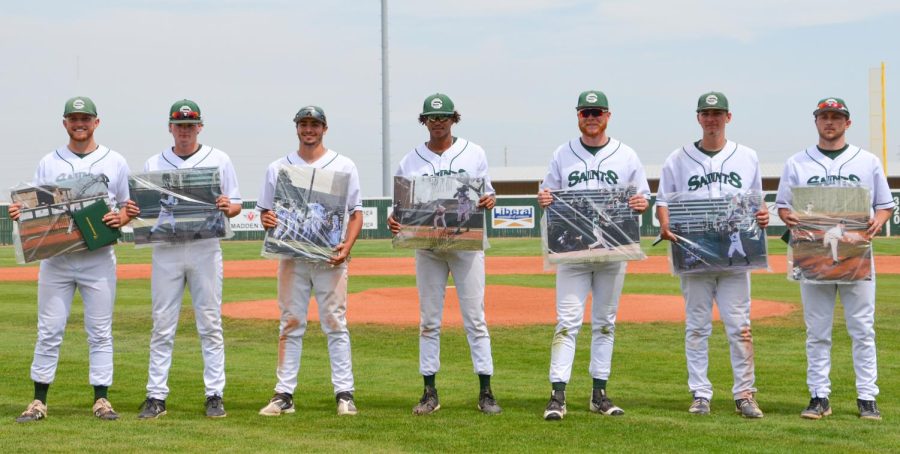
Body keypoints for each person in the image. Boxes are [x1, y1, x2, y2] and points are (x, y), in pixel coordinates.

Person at [13, 97, 130, 423]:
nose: (80, 123)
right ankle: (38, 402)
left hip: (98, 257)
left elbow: (127, 208)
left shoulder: (115, 161)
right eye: (74, 118)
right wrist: (19, 213)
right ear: (65, 122)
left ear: (96, 122)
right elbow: (34, 208)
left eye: (86, 118)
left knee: (100, 331)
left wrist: (121, 218)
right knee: (49, 330)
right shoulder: (49, 161)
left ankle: (102, 400)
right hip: (57, 260)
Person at [775, 97, 894, 420]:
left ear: (847, 123)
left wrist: (878, 221)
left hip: (857, 255)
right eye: (824, 116)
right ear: (816, 121)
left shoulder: (867, 161)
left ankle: (867, 398)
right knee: (817, 331)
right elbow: (783, 205)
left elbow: (885, 204)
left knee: (862, 329)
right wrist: (789, 217)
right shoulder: (798, 162)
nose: (830, 122)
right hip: (813, 254)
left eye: (836, 117)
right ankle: (819, 396)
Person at [536, 90, 650, 420]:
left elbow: (641, 196)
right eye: (585, 112)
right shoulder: (563, 153)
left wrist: (642, 203)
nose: (591, 118)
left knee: (604, 323)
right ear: (578, 116)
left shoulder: (626, 155)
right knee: (567, 323)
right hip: (572, 251)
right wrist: (544, 198)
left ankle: (599, 393)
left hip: (613, 249)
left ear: (608, 116)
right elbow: (548, 193)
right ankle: (557, 395)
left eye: (596, 112)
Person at [125, 99, 242, 419]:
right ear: (170, 128)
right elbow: (144, 209)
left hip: (205, 247)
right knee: (162, 324)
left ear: (199, 127)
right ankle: (155, 396)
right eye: (180, 125)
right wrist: (136, 211)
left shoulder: (219, 159)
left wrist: (225, 205)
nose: (185, 131)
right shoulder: (153, 162)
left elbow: (236, 205)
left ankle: (214, 394)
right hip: (166, 250)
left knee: (210, 323)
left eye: (191, 125)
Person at [656, 91, 769, 418]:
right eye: (706, 114)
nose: (712, 119)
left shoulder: (747, 156)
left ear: (728, 117)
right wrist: (665, 226)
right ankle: (700, 393)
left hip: (734, 256)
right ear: (698, 118)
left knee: (740, 327)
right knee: (696, 326)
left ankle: (745, 394)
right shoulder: (678, 158)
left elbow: (756, 201)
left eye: (717, 113)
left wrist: (763, 215)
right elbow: (663, 201)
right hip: (695, 254)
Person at [387, 93, 501, 415]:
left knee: (476, 320)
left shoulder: (474, 152)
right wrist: (393, 219)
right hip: (428, 249)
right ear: (424, 121)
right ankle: (429, 392)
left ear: (454, 118)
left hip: (465, 248)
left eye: (444, 117)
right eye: (432, 117)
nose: (438, 122)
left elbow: (487, 193)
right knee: (429, 321)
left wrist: (490, 200)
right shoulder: (410, 160)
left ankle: (486, 391)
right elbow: (400, 208)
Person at [256, 106, 363, 417]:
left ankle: (344, 392)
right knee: (290, 321)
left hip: (330, 256)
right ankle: (284, 393)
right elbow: (265, 212)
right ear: (297, 128)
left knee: (335, 322)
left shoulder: (344, 165)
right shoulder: (279, 167)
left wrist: (347, 245)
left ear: (324, 128)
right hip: (292, 256)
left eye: (314, 124)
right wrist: (268, 219)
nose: (309, 129)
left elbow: (356, 213)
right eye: (304, 124)